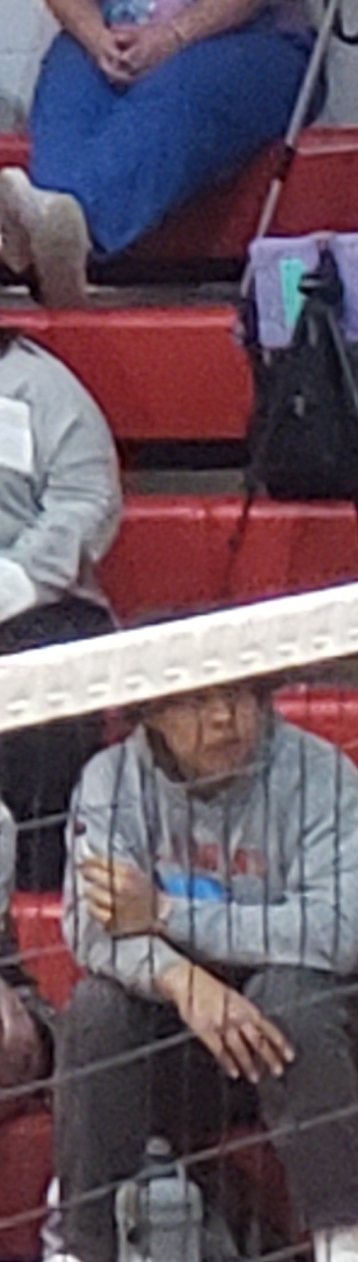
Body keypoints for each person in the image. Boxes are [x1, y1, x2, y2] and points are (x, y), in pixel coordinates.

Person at [0, 681, 358, 1262]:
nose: (224, 717)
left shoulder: (323, 775)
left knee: (289, 993)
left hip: (340, 1029)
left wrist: (166, 914)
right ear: (151, 712)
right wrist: (184, 982)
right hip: (191, 1039)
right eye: (197, 701)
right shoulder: (111, 782)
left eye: (240, 696)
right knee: (97, 1008)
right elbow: (92, 933)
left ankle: (343, 1255)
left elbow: (333, 934)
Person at [1, 0, 312, 304]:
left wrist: (174, 36)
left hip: (242, 31)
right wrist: (93, 35)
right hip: (107, 28)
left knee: (178, 98)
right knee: (68, 101)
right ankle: (52, 229)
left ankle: (57, 228)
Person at [0, 325, 124, 891]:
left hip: (36, 605)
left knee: (48, 682)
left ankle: (35, 891)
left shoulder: (40, 387)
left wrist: (16, 579)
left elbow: (86, 501)